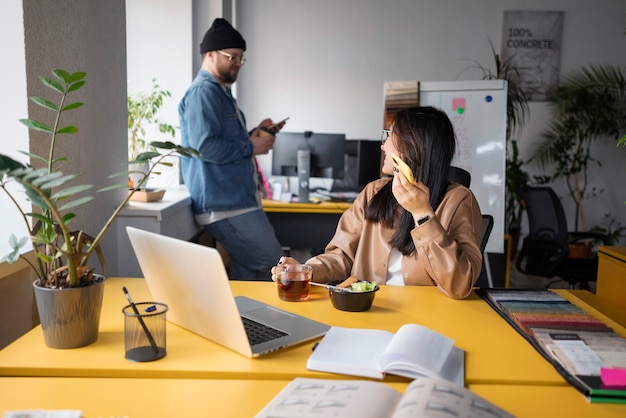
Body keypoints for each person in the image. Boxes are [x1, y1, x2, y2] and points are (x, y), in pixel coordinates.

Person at [271, 106, 483, 299]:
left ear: (413, 146)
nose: (383, 145)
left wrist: (423, 215)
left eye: (390, 135)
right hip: (368, 307)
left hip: (426, 317)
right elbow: (341, 255)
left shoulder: (459, 200)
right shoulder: (374, 192)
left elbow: (459, 285)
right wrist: (305, 270)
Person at [179, 18, 285, 281]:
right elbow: (205, 148)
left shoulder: (221, 92)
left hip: (236, 201)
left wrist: (254, 134)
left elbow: (221, 142)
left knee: (250, 269)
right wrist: (251, 145)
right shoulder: (203, 93)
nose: (238, 63)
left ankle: (243, 321)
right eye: (232, 57)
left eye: (241, 58)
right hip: (224, 204)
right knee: (273, 265)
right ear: (210, 54)